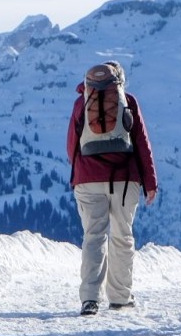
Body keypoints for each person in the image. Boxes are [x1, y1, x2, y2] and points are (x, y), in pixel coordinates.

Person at [67, 61, 157, 316]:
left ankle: (90, 299)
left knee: (93, 237)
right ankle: (120, 297)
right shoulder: (128, 101)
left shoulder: (80, 104)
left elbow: (71, 144)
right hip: (124, 180)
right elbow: (142, 144)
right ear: (119, 81)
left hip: (88, 179)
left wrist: (79, 174)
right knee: (122, 236)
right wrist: (150, 182)